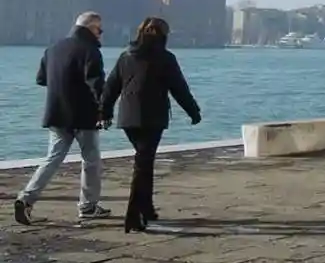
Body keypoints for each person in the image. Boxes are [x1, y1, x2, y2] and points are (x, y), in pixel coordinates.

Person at [100, 17, 201, 232]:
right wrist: (193, 111)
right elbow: (179, 88)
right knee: (143, 164)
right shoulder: (165, 58)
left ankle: (146, 208)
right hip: (152, 118)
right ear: (164, 35)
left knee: (144, 162)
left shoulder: (126, 56)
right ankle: (133, 215)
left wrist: (105, 111)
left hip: (128, 118)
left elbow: (111, 87)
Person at [14, 12, 112, 225]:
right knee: (91, 161)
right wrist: (104, 112)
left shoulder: (53, 48)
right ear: (91, 28)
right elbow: (97, 85)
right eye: (99, 29)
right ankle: (87, 206)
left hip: (57, 113)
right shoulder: (91, 51)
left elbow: (41, 79)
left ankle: (26, 198)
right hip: (84, 115)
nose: (101, 34)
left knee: (52, 158)